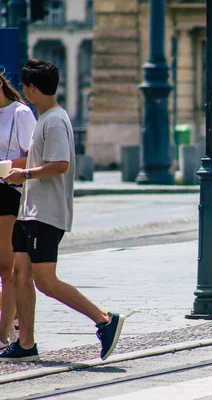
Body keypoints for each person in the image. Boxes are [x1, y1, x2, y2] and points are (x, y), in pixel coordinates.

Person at [0, 59, 125, 362]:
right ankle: (26, 343)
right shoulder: (45, 117)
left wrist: (24, 174)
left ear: (30, 88)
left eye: (26, 87)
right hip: (29, 210)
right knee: (19, 274)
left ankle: (105, 319)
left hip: (46, 212)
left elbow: (61, 165)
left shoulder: (54, 120)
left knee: (45, 281)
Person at [0, 72, 36, 352]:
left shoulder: (20, 114)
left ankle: (4, 334)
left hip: (6, 193)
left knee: (6, 266)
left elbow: (36, 157)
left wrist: (6, 164)